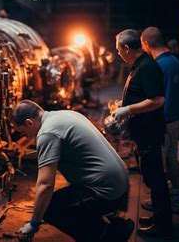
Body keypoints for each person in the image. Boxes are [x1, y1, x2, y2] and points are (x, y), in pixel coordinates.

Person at [12, 100, 133, 242]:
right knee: (68, 195)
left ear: (29, 123)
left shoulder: (47, 133)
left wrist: (34, 224)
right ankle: (115, 225)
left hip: (109, 192)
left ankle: (110, 235)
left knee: (51, 207)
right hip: (122, 183)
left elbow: (45, 185)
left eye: (23, 132)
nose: (26, 136)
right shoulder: (64, 115)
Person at [113, 29, 173, 237]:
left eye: (119, 49)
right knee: (151, 177)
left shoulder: (147, 67)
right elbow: (143, 94)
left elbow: (158, 100)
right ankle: (158, 216)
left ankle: (163, 226)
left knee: (156, 180)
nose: (118, 53)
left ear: (127, 48)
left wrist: (128, 109)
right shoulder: (139, 65)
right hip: (143, 133)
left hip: (149, 133)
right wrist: (125, 103)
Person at [141, 27, 179, 214]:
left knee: (159, 166)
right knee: (172, 161)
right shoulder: (175, 61)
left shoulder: (158, 65)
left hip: (163, 122)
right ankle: (176, 199)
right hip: (175, 119)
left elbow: (157, 98)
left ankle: (164, 203)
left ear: (146, 44)